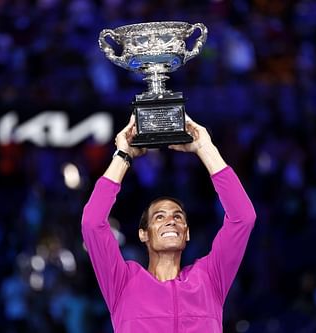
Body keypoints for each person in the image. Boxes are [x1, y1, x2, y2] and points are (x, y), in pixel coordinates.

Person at [81, 115, 256, 332]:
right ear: (143, 234)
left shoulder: (210, 278)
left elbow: (243, 218)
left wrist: (205, 148)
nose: (171, 221)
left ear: (187, 233)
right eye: (159, 217)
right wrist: (123, 155)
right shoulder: (122, 283)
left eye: (178, 217)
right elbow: (92, 222)